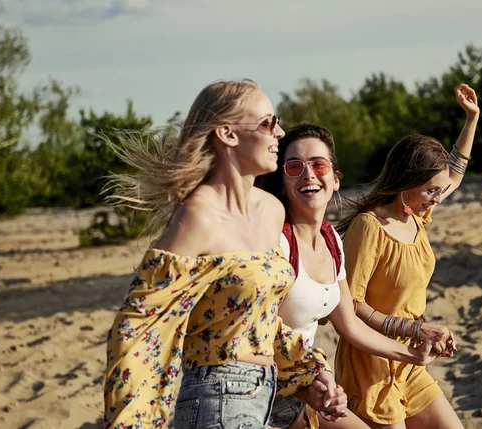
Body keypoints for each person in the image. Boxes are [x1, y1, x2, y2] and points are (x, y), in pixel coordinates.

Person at [103, 79, 349, 429]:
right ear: (227, 134)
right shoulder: (199, 215)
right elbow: (139, 324)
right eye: (267, 123)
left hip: (268, 393)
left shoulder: (270, 211)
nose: (279, 132)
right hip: (215, 399)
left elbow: (260, 318)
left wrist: (310, 372)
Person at [256, 123, 447, 429]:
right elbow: (258, 330)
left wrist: (413, 353)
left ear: (335, 179)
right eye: (294, 167)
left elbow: (349, 325)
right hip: (263, 395)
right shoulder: (274, 242)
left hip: (306, 390)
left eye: (318, 164)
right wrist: (316, 372)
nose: (308, 174)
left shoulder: (331, 240)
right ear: (282, 182)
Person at [334, 84, 479, 429]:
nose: (437, 198)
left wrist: (472, 119)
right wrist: (412, 328)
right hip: (370, 363)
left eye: (439, 190)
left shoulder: (416, 214)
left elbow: (453, 173)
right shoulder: (369, 227)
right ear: (405, 182)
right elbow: (350, 304)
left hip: (412, 359)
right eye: (430, 190)